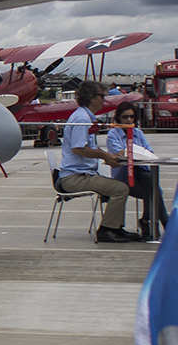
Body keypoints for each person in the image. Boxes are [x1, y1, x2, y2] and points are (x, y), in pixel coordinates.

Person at [57, 80, 138, 243]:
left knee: (118, 185)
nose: (105, 99)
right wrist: (104, 156)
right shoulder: (82, 120)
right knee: (120, 188)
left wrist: (108, 155)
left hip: (81, 174)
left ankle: (116, 227)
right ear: (92, 97)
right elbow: (78, 149)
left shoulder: (84, 116)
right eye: (102, 96)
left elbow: (87, 147)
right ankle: (107, 230)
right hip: (75, 177)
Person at [107, 102, 168, 240]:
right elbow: (119, 154)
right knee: (153, 188)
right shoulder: (113, 134)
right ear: (118, 118)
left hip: (141, 173)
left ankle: (147, 220)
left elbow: (149, 151)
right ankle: (159, 221)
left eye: (132, 117)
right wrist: (134, 152)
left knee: (149, 181)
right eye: (125, 117)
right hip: (123, 177)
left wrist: (136, 152)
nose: (129, 120)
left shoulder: (138, 133)